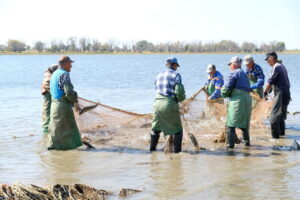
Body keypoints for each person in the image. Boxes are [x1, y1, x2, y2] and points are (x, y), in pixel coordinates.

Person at [150, 57, 186, 153]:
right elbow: (179, 93)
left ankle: (152, 151)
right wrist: (180, 100)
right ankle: (177, 153)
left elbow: (156, 88)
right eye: (176, 66)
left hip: (157, 104)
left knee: (156, 128)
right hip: (169, 103)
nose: (177, 68)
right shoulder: (176, 75)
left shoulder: (158, 75)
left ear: (167, 65)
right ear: (174, 65)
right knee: (177, 130)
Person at [48, 56, 82, 150]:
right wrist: (75, 102)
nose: (71, 66)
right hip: (63, 107)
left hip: (54, 106)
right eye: (70, 63)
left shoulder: (54, 74)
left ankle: (54, 150)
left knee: (56, 130)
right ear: (65, 63)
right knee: (68, 130)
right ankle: (69, 151)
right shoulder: (64, 74)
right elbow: (69, 93)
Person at [221, 56, 252, 148]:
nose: (230, 67)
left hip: (238, 101)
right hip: (247, 100)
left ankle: (230, 148)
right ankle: (247, 146)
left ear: (234, 65)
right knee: (244, 126)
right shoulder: (244, 74)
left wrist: (223, 93)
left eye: (230, 65)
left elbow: (227, 87)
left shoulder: (234, 73)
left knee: (230, 125)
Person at [264, 52, 291, 138]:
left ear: (272, 58)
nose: (267, 62)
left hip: (281, 94)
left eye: (268, 60)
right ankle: (282, 137)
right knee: (280, 116)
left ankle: (275, 139)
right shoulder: (281, 66)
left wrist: (264, 93)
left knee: (273, 118)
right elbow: (278, 80)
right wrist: (271, 88)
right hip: (286, 94)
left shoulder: (276, 67)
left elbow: (269, 82)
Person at [41, 64, 58, 134]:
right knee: (47, 116)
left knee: (50, 116)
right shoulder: (48, 78)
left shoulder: (49, 76)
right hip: (48, 100)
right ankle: (46, 134)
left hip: (49, 99)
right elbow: (50, 88)